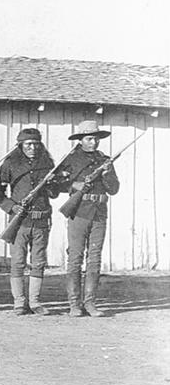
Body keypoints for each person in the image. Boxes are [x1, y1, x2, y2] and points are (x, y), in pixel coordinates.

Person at [0, 128, 61, 315]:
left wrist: (52, 183)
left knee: (38, 261)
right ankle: (19, 302)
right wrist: (11, 207)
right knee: (17, 261)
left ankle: (35, 302)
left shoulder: (48, 165)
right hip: (19, 220)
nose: (32, 147)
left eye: (35, 144)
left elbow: (54, 194)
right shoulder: (10, 164)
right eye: (28, 144)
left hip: (41, 220)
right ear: (20, 145)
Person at [60, 121, 120, 317]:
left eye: (95, 138)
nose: (93, 142)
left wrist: (107, 173)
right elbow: (56, 183)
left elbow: (114, 189)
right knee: (75, 257)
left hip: (99, 212)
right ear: (81, 140)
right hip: (79, 211)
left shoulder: (105, 160)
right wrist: (75, 185)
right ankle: (74, 304)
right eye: (88, 138)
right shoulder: (71, 159)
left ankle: (90, 303)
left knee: (94, 259)